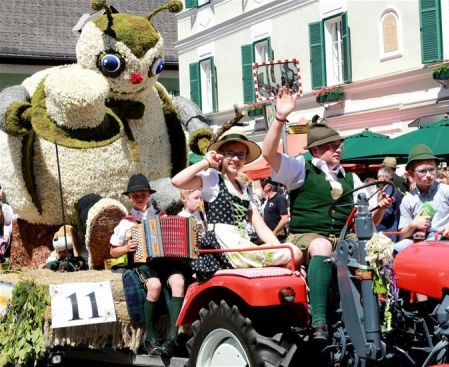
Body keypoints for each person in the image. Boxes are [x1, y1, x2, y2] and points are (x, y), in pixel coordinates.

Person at [262, 88, 392, 341]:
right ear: (316, 151)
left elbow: (368, 222)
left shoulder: (351, 178)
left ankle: (381, 311)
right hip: (307, 236)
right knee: (321, 245)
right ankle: (319, 320)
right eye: (330, 146)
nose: (337, 149)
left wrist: (381, 208)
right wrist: (279, 118)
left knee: (378, 245)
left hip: (344, 238)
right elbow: (268, 154)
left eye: (338, 145)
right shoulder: (302, 169)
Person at [171, 128, 302, 276]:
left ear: (245, 158)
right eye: (230, 153)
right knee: (294, 251)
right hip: (224, 247)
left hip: (242, 244)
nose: (235, 159)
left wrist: (279, 249)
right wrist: (206, 162)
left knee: (292, 251)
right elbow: (177, 181)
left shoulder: (244, 189)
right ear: (221, 155)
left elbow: (262, 228)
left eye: (240, 155)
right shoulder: (213, 179)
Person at [109, 174, 187, 356]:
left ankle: (172, 337)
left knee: (179, 282)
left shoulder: (162, 216)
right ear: (129, 197)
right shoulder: (126, 223)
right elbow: (112, 252)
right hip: (142, 264)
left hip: (165, 262)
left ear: (149, 195)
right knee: (155, 285)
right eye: (135, 195)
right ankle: (150, 337)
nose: (139, 197)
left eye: (142, 194)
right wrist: (127, 247)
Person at [395, 144, 449, 251]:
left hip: (443, 243)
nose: (429, 175)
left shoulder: (446, 190)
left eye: (432, 170)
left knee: (429, 245)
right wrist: (413, 225)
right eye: (422, 171)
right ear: (411, 174)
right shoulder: (408, 199)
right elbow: (403, 234)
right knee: (394, 250)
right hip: (417, 242)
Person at [375, 167, 402, 242]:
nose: (377, 180)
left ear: (384, 178)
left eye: (378, 177)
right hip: (387, 232)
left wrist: (373, 214)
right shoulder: (390, 189)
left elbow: (386, 214)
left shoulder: (390, 191)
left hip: (387, 234)